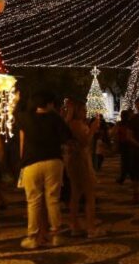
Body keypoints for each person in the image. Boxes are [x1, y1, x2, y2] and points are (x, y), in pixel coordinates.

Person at [19, 91, 71, 249]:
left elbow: (22, 141)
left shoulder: (25, 118)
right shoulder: (55, 118)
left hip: (31, 162)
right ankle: (56, 235)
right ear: (49, 104)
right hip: (53, 161)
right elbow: (67, 138)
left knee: (33, 201)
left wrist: (22, 163)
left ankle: (33, 237)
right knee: (53, 198)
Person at [63, 99, 100, 237]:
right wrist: (92, 129)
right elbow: (84, 142)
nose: (85, 112)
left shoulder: (74, 123)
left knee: (76, 194)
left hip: (77, 159)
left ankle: (75, 225)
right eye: (83, 110)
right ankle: (91, 228)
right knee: (89, 194)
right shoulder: (75, 124)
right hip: (80, 160)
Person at [115, 110, 132, 185]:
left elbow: (117, 133)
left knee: (125, 161)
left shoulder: (121, 123)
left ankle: (124, 176)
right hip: (128, 143)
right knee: (127, 161)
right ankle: (128, 176)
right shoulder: (129, 123)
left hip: (124, 143)